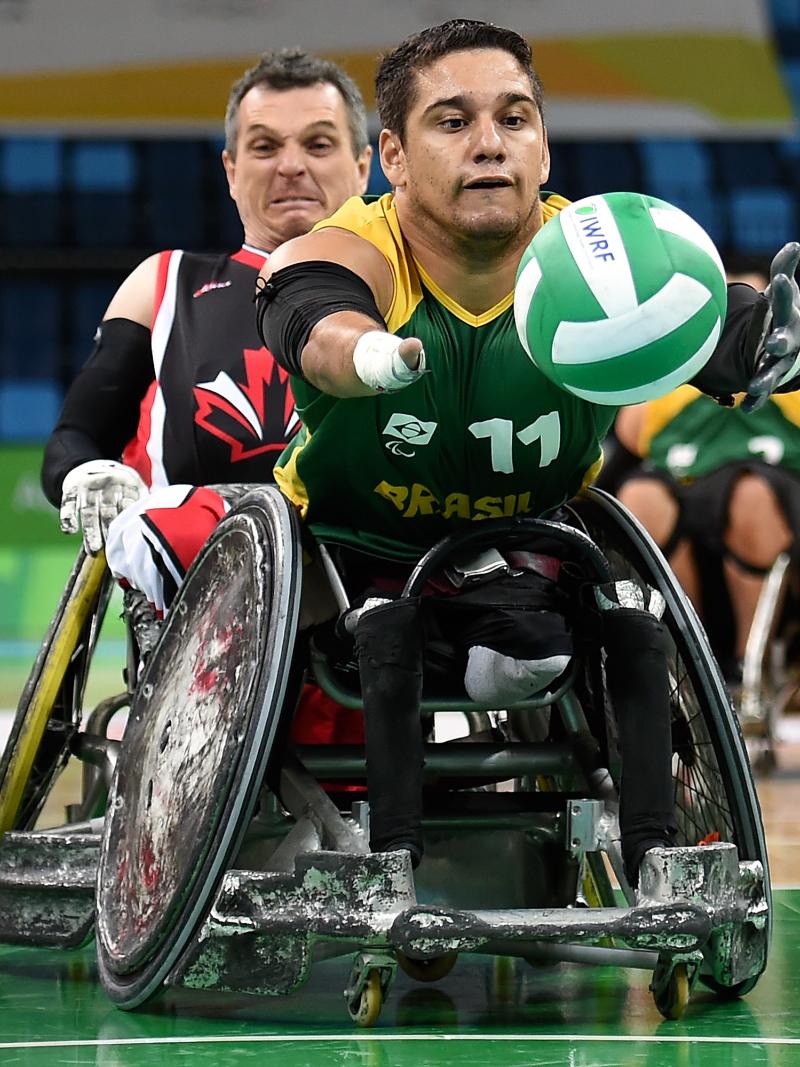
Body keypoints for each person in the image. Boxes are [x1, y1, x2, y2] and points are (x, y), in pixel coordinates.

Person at [239, 18, 800, 882]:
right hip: (353, 558)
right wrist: (366, 352)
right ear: (391, 153)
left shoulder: (590, 253)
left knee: (630, 621)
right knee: (387, 627)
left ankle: (661, 862)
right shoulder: (361, 244)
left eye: (515, 118)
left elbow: (694, 317)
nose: (491, 145)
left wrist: (756, 346)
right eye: (453, 122)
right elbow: (316, 315)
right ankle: (391, 864)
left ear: (543, 146)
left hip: (527, 550)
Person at [41, 48, 372, 614]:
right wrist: (87, 472)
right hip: (202, 630)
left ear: (364, 165)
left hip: (371, 617)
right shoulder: (163, 283)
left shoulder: (411, 289)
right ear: (231, 170)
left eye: (318, 144)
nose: (291, 165)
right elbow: (74, 439)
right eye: (265, 146)